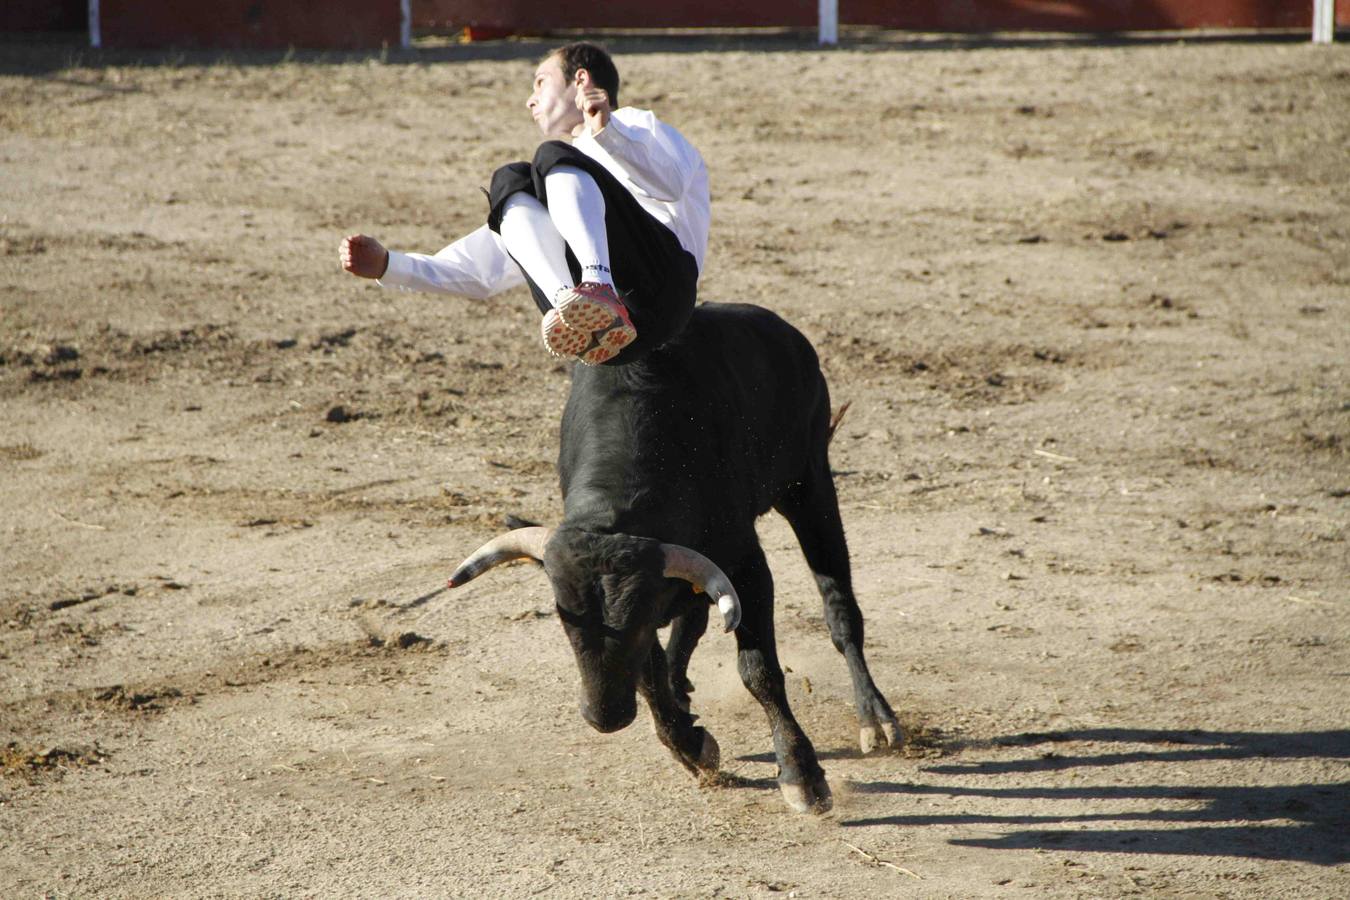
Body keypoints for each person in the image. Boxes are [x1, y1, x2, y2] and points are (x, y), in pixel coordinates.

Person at [339, 42, 709, 366]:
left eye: (541, 82)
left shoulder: (634, 124)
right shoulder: (554, 184)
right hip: (609, 341)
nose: (529, 99)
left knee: (550, 157)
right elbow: (484, 269)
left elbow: (673, 184)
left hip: (662, 289)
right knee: (510, 179)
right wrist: (390, 266)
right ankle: (569, 304)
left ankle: (598, 287)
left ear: (580, 80)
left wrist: (607, 134)